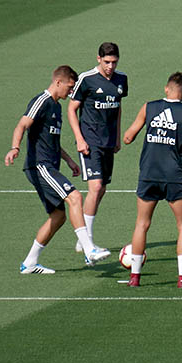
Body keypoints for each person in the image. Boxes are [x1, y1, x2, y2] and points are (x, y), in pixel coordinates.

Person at [5, 65, 110, 275]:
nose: (71, 92)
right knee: (75, 197)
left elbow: (52, 141)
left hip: (50, 164)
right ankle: (89, 249)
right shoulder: (41, 101)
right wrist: (15, 147)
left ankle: (30, 263)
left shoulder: (56, 107)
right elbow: (22, 125)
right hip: (39, 165)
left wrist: (70, 161)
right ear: (58, 82)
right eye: (70, 87)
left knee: (58, 216)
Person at [122, 72, 182, 288]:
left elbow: (128, 137)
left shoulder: (148, 107)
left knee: (142, 224)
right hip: (174, 176)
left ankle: (134, 277)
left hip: (148, 174)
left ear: (166, 88)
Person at [67, 42, 128, 253]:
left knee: (102, 189)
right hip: (90, 142)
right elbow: (72, 109)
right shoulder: (86, 79)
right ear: (98, 59)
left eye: (114, 62)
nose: (110, 66)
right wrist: (79, 138)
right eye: (107, 62)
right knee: (95, 187)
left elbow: (118, 108)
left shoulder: (122, 79)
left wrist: (118, 137)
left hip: (108, 142)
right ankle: (87, 242)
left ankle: (83, 237)